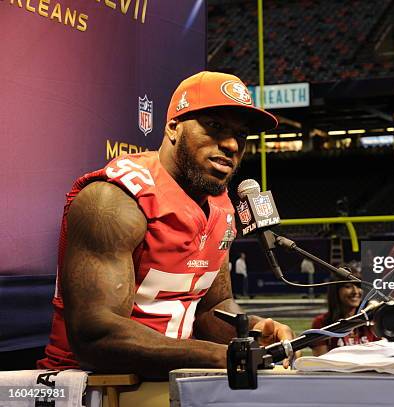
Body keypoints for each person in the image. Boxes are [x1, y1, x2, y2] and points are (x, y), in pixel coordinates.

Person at [37, 71, 294, 377]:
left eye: (241, 134)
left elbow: (211, 308)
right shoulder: (113, 200)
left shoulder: (221, 204)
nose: (231, 144)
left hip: (168, 381)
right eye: (214, 126)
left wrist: (252, 331)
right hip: (91, 386)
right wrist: (215, 356)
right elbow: (96, 335)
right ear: (174, 127)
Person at [310, 271, 377, 356]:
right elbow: (321, 363)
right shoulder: (321, 323)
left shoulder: (371, 321)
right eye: (348, 286)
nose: (355, 291)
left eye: (358, 286)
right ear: (336, 291)